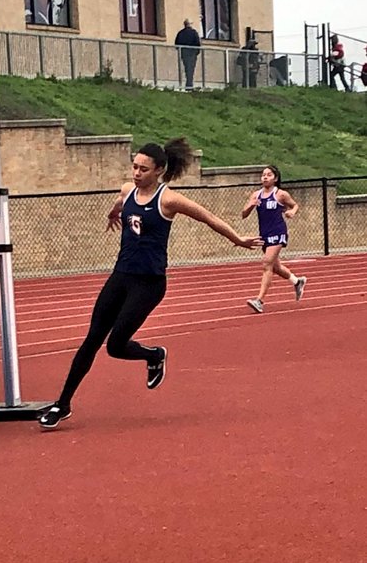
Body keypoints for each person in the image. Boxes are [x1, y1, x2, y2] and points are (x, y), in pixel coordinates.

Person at [39, 139, 263, 429]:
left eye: (143, 169)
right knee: (91, 340)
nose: (136, 173)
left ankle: (154, 355)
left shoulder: (168, 200)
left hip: (149, 283)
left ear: (158, 170)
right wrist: (113, 212)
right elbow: (120, 202)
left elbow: (209, 218)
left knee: (116, 346)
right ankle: (62, 404)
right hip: (120, 277)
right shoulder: (127, 190)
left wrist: (238, 239)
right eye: (134, 167)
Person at [242, 165, 307, 315]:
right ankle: (297, 282)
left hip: (278, 232)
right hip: (264, 234)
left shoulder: (281, 194)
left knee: (266, 264)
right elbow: (243, 214)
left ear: (275, 178)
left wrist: (292, 212)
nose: (265, 177)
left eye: (269, 175)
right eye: (263, 175)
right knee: (275, 267)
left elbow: (295, 205)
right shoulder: (256, 195)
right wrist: (250, 206)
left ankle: (259, 301)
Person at [174, 19, 201, 90]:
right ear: (190, 24)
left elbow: (177, 43)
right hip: (192, 53)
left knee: (187, 68)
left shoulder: (181, 33)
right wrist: (197, 52)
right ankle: (189, 85)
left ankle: (188, 84)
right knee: (191, 69)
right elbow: (197, 43)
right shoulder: (194, 33)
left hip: (184, 53)